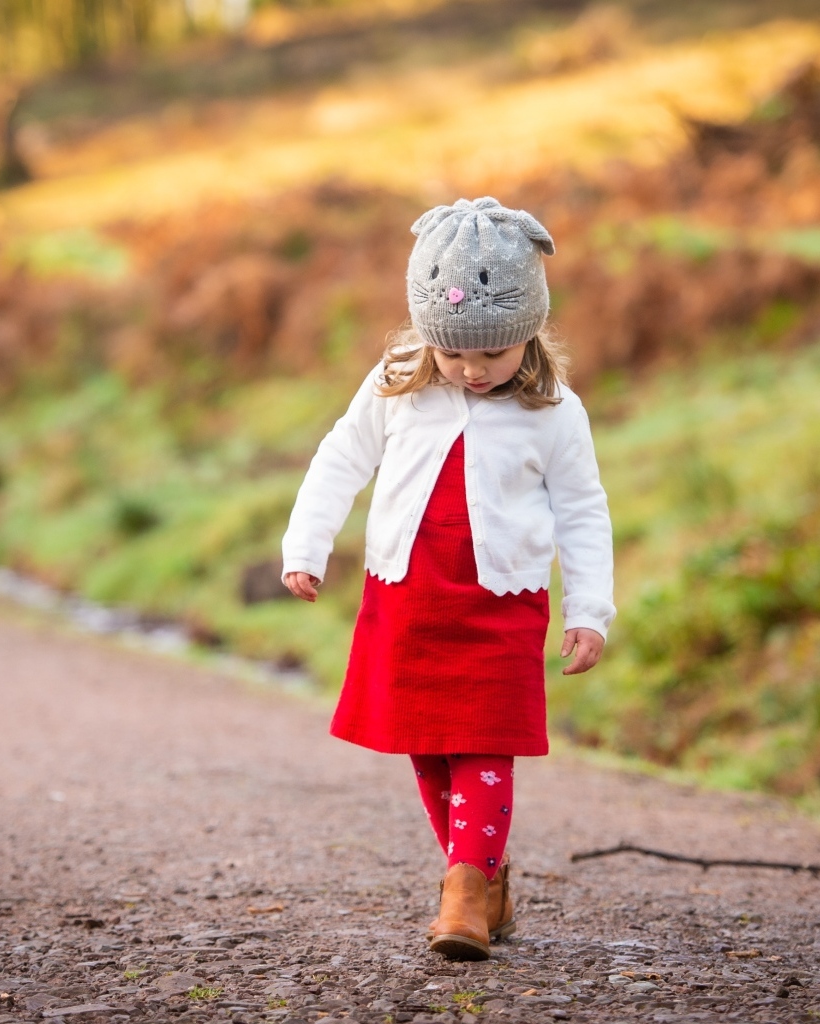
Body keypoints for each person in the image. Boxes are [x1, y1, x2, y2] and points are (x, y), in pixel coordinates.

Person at [281, 196, 614, 961]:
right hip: (409, 594)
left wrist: (589, 609)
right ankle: (485, 878)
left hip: (502, 603)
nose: (470, 369)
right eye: (453, 352)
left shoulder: (554, 411)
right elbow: (342, 459)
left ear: (528, 331)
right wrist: (307, 546)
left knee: (484, 739)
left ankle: (464, 889)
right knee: (428, 744)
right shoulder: (399, 381)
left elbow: (583, 510)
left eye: (491, 353)